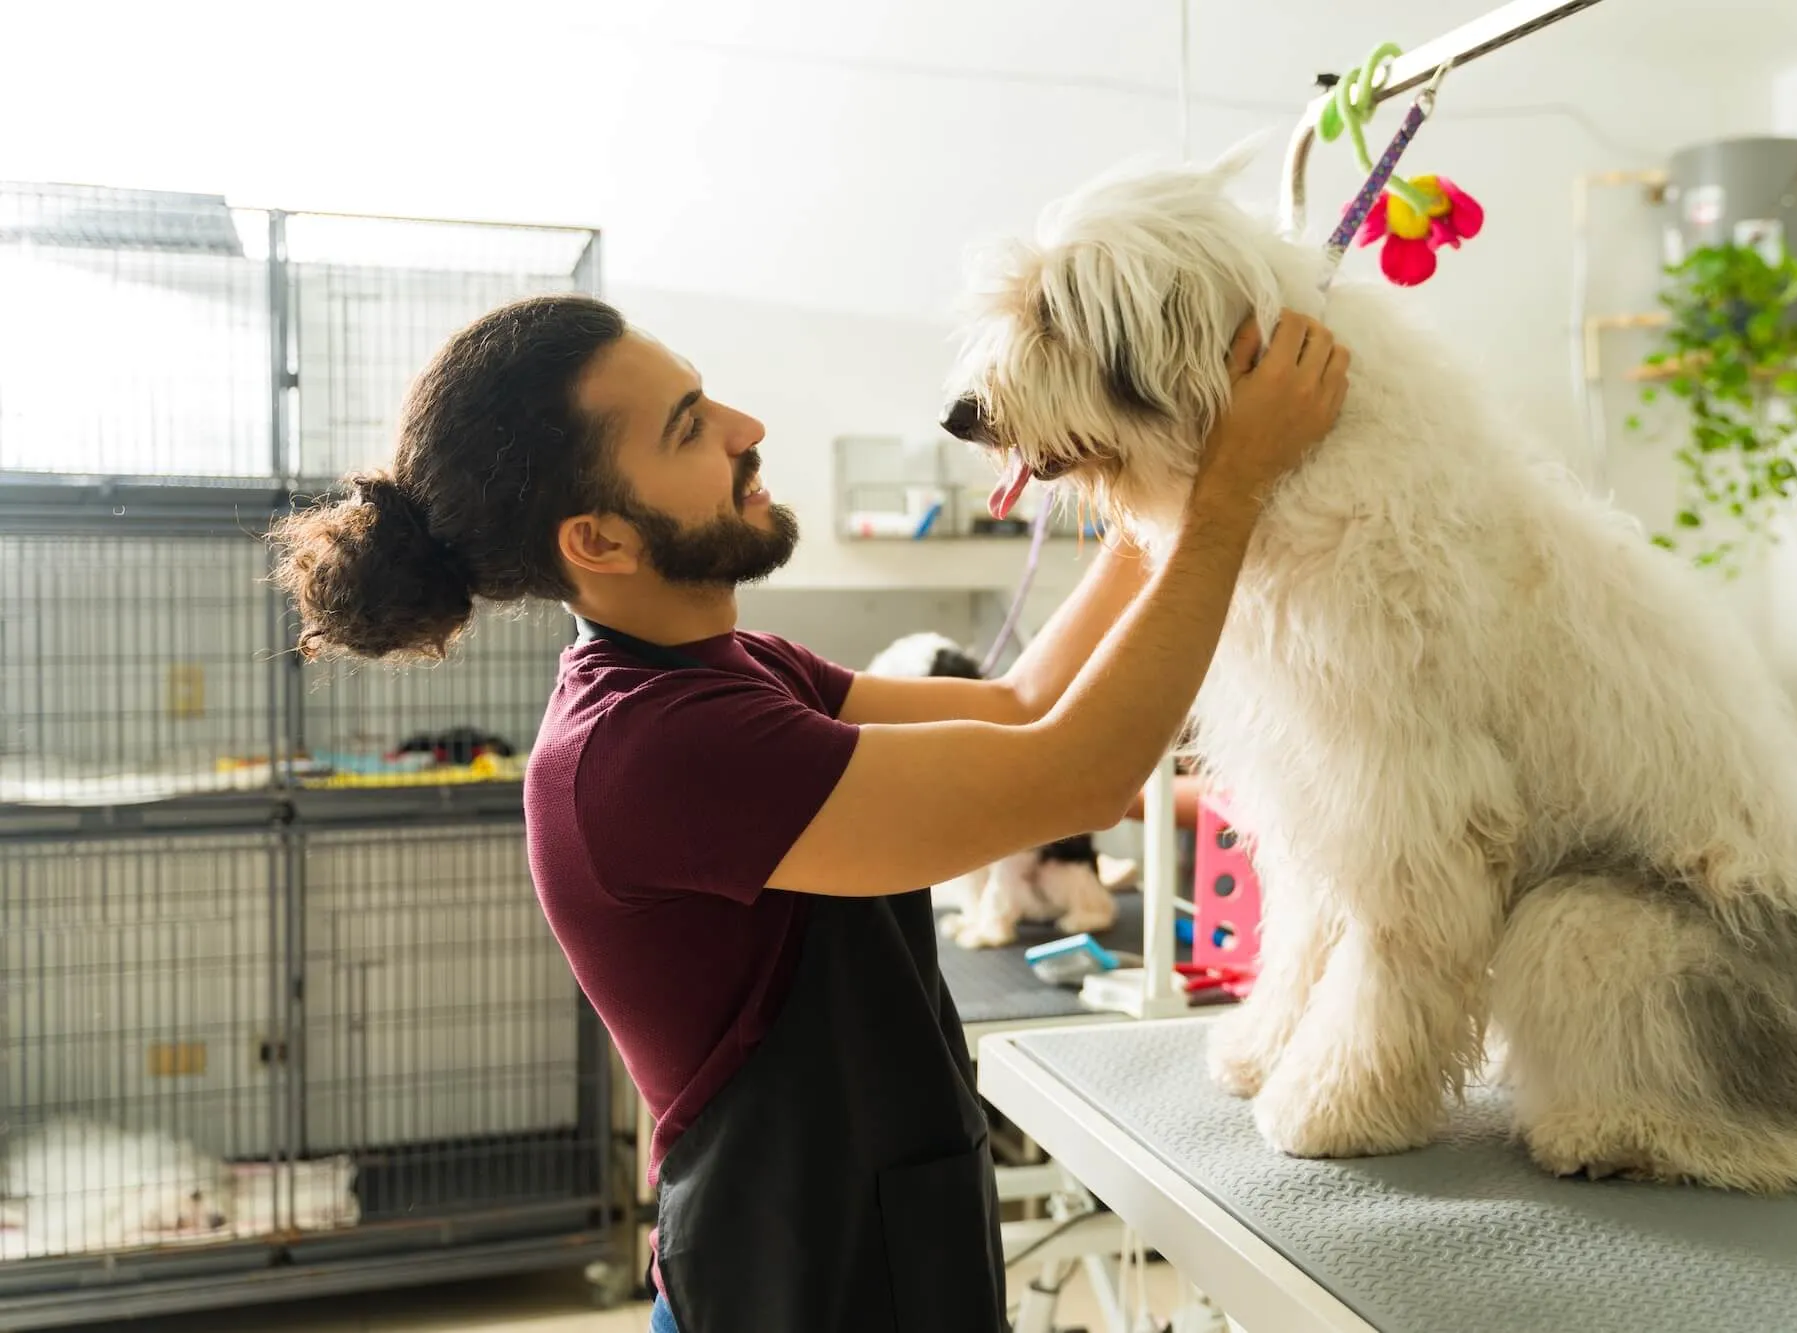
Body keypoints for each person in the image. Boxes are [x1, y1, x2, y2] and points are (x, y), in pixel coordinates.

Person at [269, 293, 1348, 1333]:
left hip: (868, 1238)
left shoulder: (724, 671)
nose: (747, 429)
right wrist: (1229, 496)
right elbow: (1079, 773)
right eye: (689, 429)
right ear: (596, 541)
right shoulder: (656, 750)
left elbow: (1027, 704)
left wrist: (1156, 487)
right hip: (797, 1278)